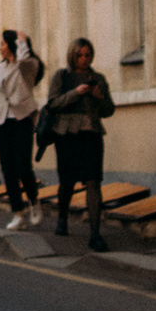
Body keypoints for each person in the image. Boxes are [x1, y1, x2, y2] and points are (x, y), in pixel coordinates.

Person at [48, 36, 116, 250]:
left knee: (93, 181)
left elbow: (109, 110)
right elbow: (53, 104)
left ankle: (95, 234)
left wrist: (98, 97)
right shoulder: (62, 76)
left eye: (88, 55)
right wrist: (75, 93)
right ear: (72, 55)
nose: (84, 59)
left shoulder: (98, 78)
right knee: (67, 181)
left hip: (91, 134)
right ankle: (62, 218)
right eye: (80, 55)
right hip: (67, 135)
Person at [0, 29, 44, 230]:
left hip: (21, 120)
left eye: (2, 43)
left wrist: (23, 43)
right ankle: (18, 213)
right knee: (8, 170)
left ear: (11, 45)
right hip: (1, 124)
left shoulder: (26, 67)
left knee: (23, 167)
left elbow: (26, 62)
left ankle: (34, 202)